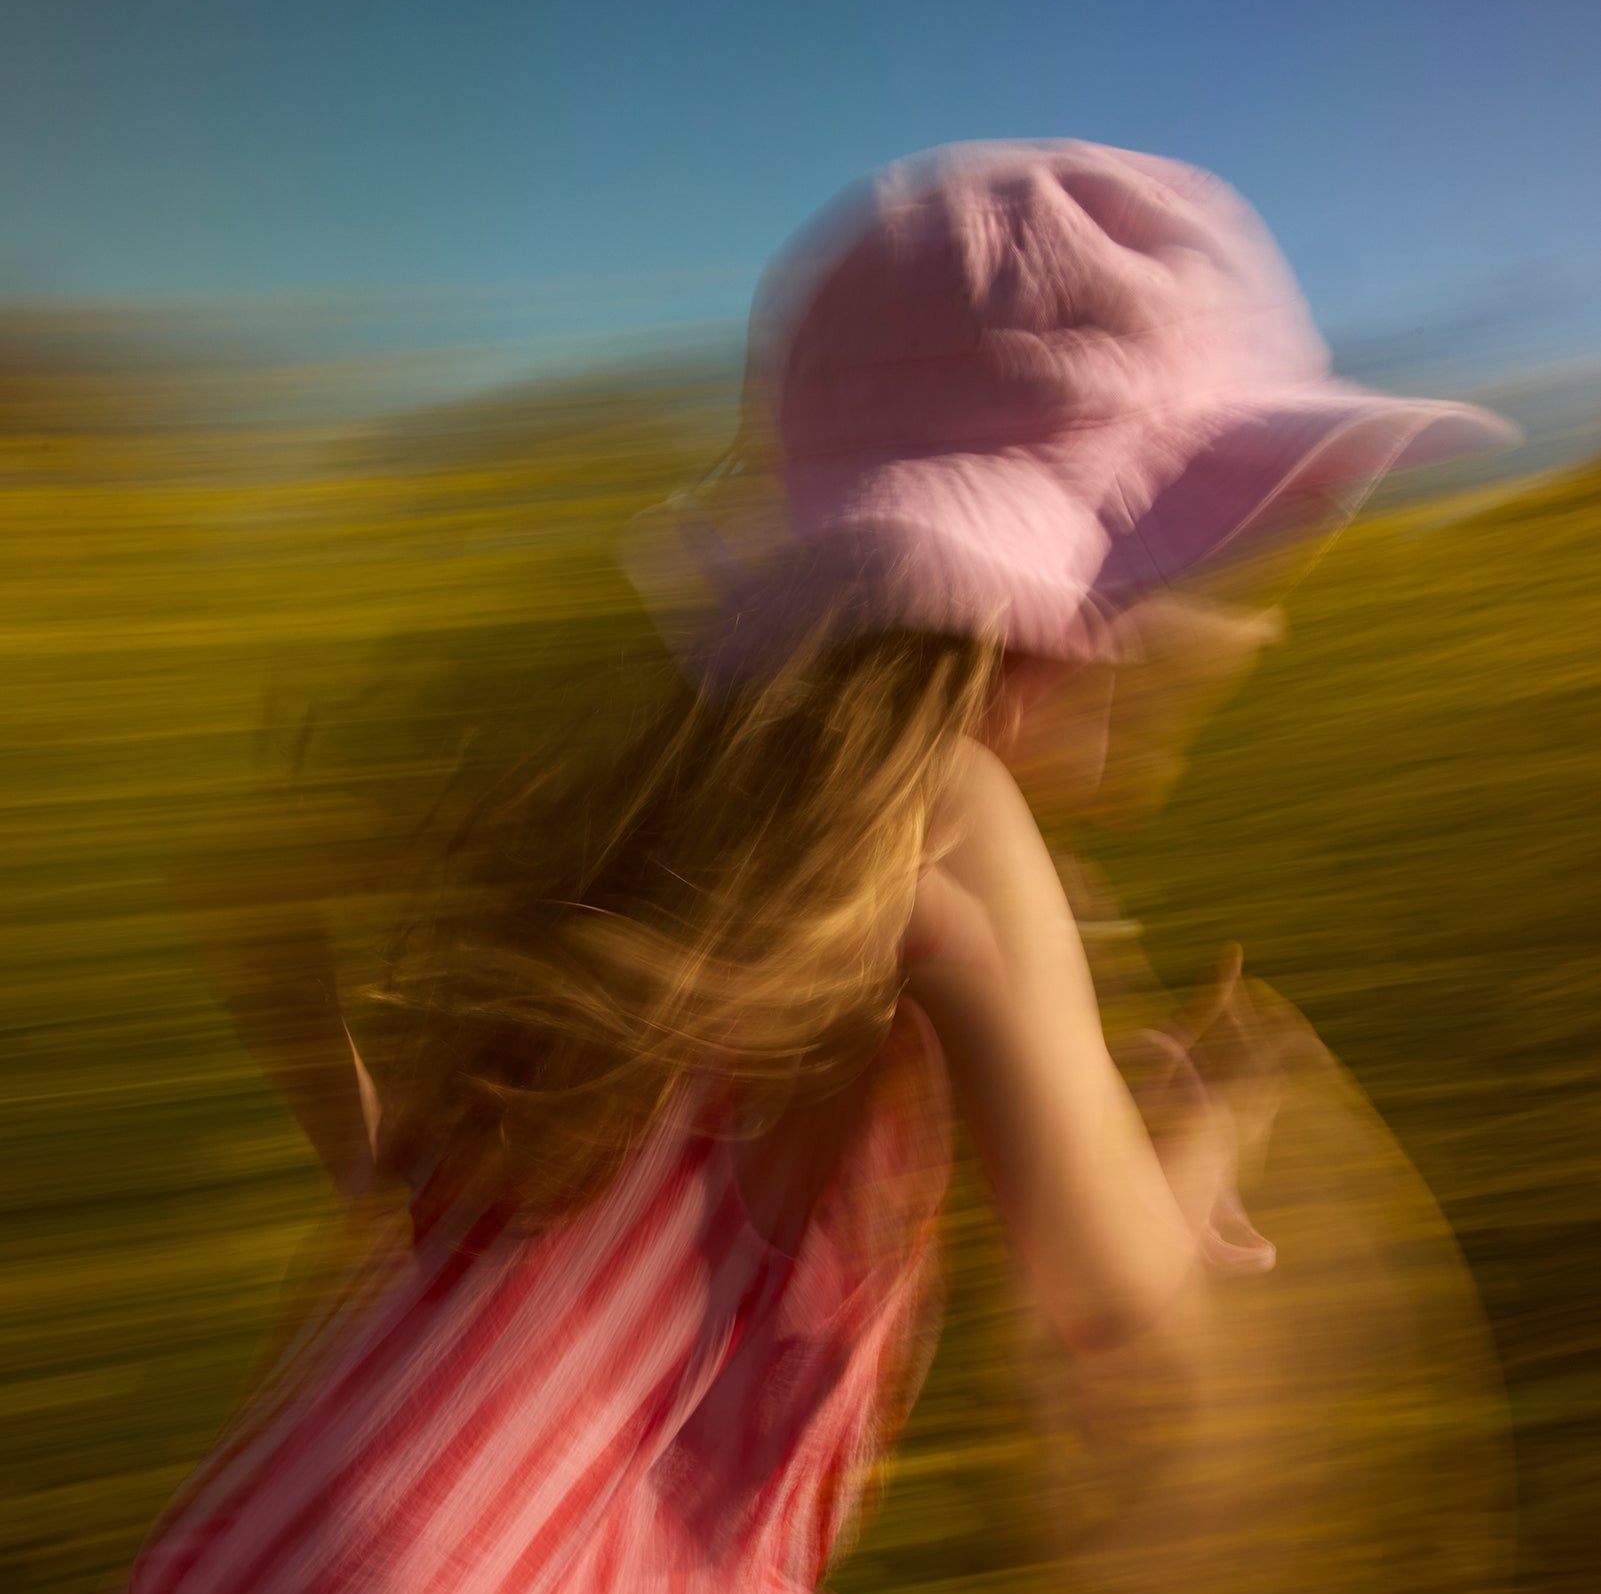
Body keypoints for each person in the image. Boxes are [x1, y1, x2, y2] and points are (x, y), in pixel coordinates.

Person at [120, 140, 1517, 1594]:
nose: (1251, 632)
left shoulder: (650, 764)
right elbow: (1112, 1298)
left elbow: (255, 883)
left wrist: (385, 1157)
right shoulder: (957, 830)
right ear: (1045, 608)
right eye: (1205, 574)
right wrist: (1207, 1131)